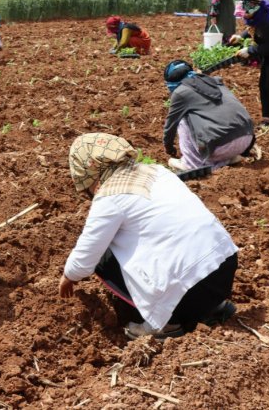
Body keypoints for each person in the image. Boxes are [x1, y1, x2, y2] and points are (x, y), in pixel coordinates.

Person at [59, 133, 239, 339]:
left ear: (88, 171)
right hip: (224, 266)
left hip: (185, 292)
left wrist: (68, 276)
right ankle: (213, 308)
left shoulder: (109, 197)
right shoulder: (157, 171)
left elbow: (87, 255)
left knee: (103, 256)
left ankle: (165, 322)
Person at [162, 60, 255, 172]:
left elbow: (171, 125)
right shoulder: (215, 82)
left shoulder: (180, 92)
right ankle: (228, 159)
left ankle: (191, 164)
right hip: (246, 140)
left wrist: (169, 149)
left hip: (219, 148)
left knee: (183, 119)